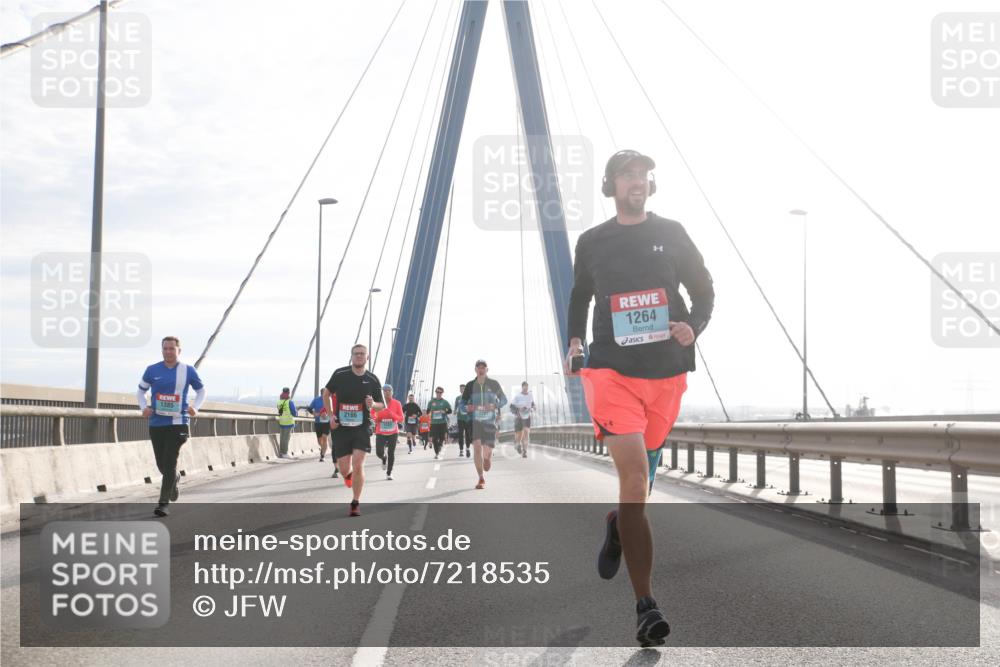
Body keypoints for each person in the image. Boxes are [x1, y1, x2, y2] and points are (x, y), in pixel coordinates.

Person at [566, 149, 714, 647]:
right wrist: (574, 341)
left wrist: (691, 327)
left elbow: (705, 291)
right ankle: (645, 606)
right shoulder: (592, 241)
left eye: (644, 175)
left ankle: (618, 525)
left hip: (666, 375)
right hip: (611, 373)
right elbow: (579, 297)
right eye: (628, 174)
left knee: (639, 490)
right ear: (611, 184)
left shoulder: (672, 233)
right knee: (633, 476)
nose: (638, 181)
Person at [136, 336, 206, 517]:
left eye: (171, 349)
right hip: (157, 423)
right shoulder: (152, 370)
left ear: (178, 351)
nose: (168, 351)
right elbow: (141, 391)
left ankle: (163, 504)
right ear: (162, 350)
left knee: (170, 461)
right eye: (165, 348)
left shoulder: (188, 371)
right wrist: (144, 408)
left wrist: (195, 408)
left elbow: (201, 391)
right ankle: (173, 478)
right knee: (162, 464)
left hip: (179, 422)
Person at [323, 344, 384, 517]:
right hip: (342, 427)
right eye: (356, 354)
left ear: (367, 357)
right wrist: (330, 416)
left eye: (362, 354)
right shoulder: (340, 374)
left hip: (363, 426)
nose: (359, 356)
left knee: (358, 464)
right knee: (344, 469)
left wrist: (373, 405)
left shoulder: (372, 379)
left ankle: (355, 502)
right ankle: (347, 476)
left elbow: (381, 405)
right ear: (351, 356)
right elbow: (326, 394)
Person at [461, 360, 507, 490]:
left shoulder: (493, 384)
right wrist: (466, 408)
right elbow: (462, 404)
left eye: (483, 367)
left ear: (487, 369)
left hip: (489, 422)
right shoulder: (470, 385)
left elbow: (504, 399)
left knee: (486, 453)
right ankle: (481, 478)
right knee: (476, 448)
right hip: (474, 422)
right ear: (475, 369)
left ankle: (487, 459)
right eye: (478, 367)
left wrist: (495, 405)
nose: (481, 369)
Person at [374, 384, 403, 480]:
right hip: (381, 431)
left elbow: (401, 418)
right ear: (382, 392)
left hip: (393, 432)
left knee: (391, 452)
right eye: (385, 390)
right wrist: (376, 418)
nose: (387, 392)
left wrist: (392, 415)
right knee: (379, 452)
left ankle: (389, 473)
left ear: (392, 392)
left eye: (389, 390)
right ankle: (383, 458)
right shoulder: (378, 403)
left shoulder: (397, 403)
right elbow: (373, 414)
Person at [509, 381, 536, 458]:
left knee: (526, 432)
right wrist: (517, 411)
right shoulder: (517, 396)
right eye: (524, 388)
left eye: (527, 388)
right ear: (522, 388)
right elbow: (511, 406)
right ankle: (517, 444)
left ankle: (525, 451)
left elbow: (532, 403)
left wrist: (534, 406)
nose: (525, 390)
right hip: (519, 417)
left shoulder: (530, 395)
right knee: (519, 434)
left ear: (528, 388)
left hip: (527, 416)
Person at [426, 387, 452, 459]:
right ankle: (437, 453)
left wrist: (445, 412)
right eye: (437, 392)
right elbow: (428, 411)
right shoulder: (431, 402)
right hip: (434, 423)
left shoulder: (445, 402)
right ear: (435, 392)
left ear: (442, 393)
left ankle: (440, 446)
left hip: (442, 423)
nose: (438, 394)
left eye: (440, 392)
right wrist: (430, 412)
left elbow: (450, 411)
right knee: (434, 439)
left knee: (441, 438)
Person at [306, 393, 331, 462]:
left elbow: (334, 410)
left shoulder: (330, 399)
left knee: (324, 437)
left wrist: (328, 414)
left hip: (327, 422)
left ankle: (322, 456)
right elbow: (309, 408)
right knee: (320, 441)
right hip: (318, 422)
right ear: (321, 394)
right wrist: (315, 414)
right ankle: (323, 448)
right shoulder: (316, 400)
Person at [276, 387, 297, 459]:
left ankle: (282, 452)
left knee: (282, 438)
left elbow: (279, 411)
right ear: (288, 393)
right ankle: (285, 453)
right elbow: (294, 413)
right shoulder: (290, 402)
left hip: (281, 421)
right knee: (286, 438)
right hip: (288, 422)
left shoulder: (279, 402)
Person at [455, 384, 472, 458]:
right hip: (460, 419)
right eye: (461, 389)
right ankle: (461, 450)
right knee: (460, 435)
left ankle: (467, 449)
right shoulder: (458, 398)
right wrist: (455, 411)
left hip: (468, 419)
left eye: (463, 389)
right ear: (460, 390)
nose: (462, 390)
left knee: (468, 435)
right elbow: (455, 408)